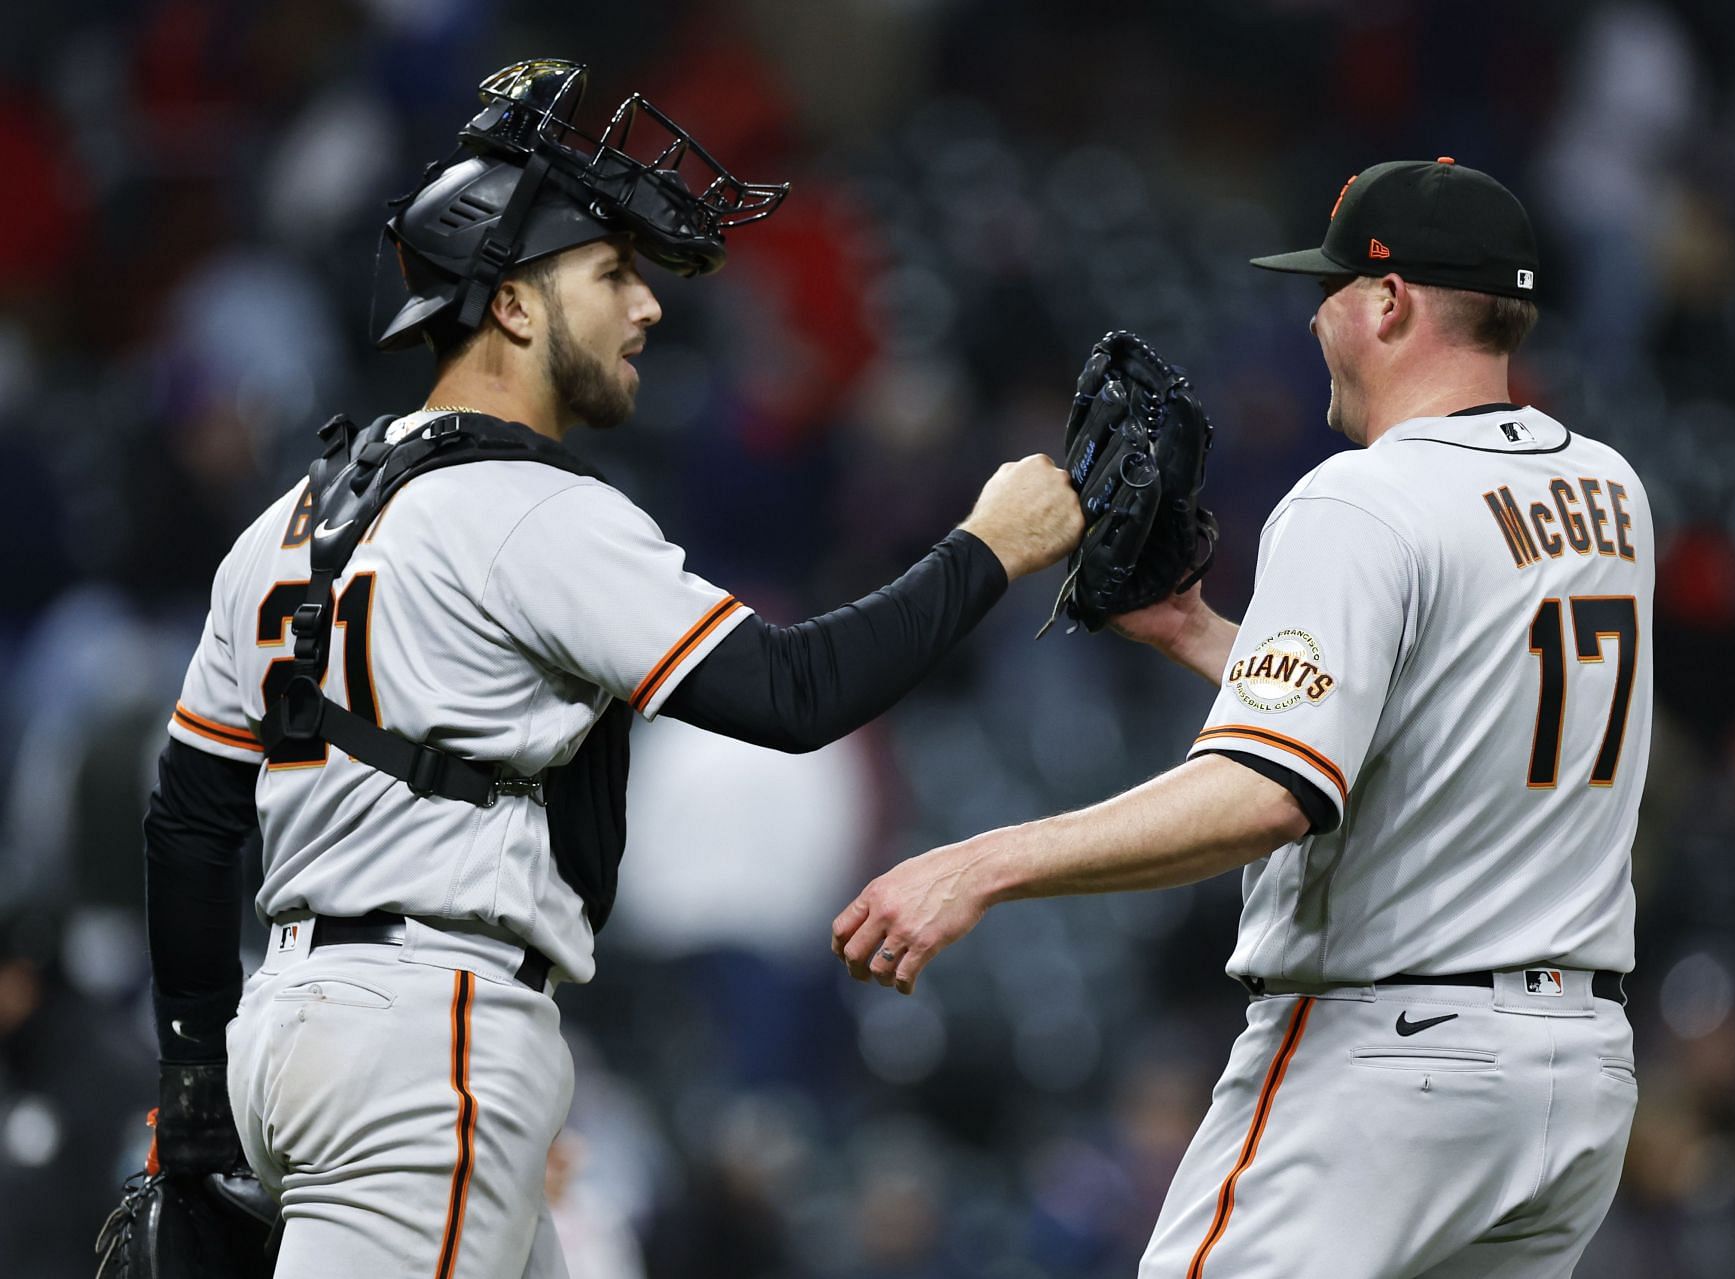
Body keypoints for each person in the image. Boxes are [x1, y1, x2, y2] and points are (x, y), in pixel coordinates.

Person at [143, 60, 1081, 1279]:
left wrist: (196, 1075)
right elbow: (790, 693)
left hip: (292, 1025)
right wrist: (988, 550)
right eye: (612, 273)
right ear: (517, 308)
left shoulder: (283, 526)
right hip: (427, 1035)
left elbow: (190, 819)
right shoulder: (532, 512)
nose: (647, 308)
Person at [834, 157, 1652, 1277]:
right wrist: (1209, 639)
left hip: (1390, 1064)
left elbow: (1269, 793)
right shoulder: (1609, 491)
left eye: (1330, 289)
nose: (1313, 315)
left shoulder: (1360, 495)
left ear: (1389, 302)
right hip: (1576, 1074)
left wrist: (982, 863)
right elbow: (1447, 726)